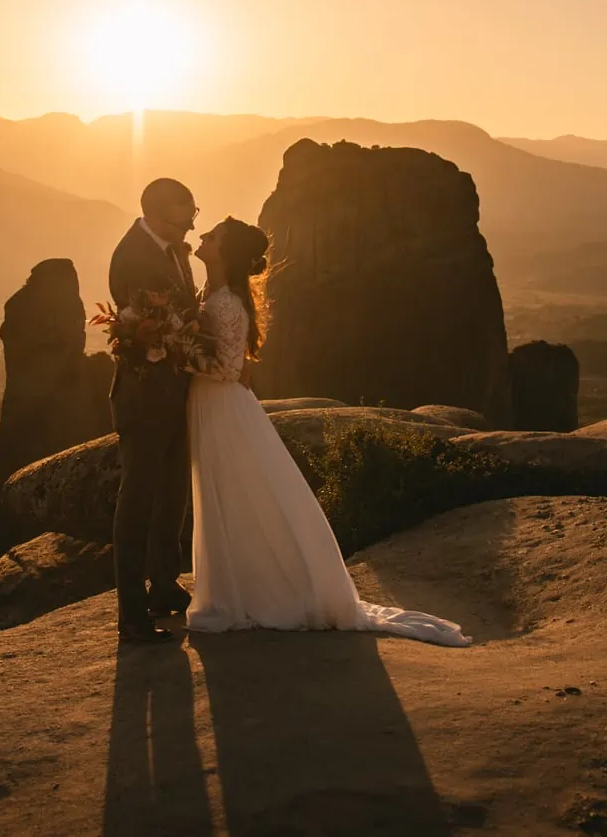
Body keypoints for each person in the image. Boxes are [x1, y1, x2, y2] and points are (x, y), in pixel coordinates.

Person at [185, 216, 471, 646]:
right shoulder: (214, 295)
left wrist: (173, 354)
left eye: (213, 236)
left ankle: (252, 592)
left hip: (221, 408)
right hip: (217, 405)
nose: (203, 237)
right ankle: (240, 585)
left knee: (236, 495)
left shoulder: (226, 302)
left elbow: (228, 370)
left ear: (226, 253)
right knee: (229, 495)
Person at [106, 177, 200, 644]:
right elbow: (144, 329)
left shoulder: (171, 250)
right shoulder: (133, 256)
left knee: (173, 497)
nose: (192, 226)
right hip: (143, 399)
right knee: (137, 503)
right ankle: (130, 612)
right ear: (159, 214)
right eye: (186, 217)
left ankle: (164, 585)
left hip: (177, 392)